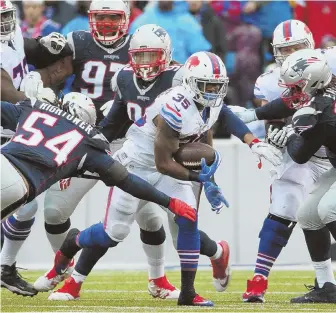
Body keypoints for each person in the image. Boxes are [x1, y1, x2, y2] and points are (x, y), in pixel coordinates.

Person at [45, 51, 283, 307]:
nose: (214, 91)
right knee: (113, 233)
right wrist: (198, 177)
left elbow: (224, 116)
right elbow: (163, 163)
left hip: (169, 165)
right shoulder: (174, 107)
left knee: (188, 216)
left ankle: (188, 293)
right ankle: (74, 241)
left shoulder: (210, 101)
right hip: (138, 165)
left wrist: (253, 142)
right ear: (191, 84)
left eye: (218, 85)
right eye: (208, 85)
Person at [0, 94, 195, 232]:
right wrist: (169, 201)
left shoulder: (34, 107)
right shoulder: (89, 142)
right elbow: (127, 181)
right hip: (18, 183)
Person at [233, 47, 336, 303]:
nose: (290, 92)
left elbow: (301, 154)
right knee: (308, 216)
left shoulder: (319, 110)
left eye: (296, 87)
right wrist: (252, 114)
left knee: (328, 210)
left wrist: (288, 135)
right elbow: (288, 103)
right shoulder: (317, 94)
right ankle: (327, 287)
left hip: (328, 162)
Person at [0, 0, 72, 296]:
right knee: (20, 196)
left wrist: (49, 45)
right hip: (7, 122)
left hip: (11, 127)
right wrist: (40, 102)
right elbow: (6, 89)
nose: (5, 23)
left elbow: (26, 48)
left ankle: (5, 267)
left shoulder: (12, 35)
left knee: (25, 198)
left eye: (6, 16)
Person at [129, 0, 211, 63]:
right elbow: (131, 51)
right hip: (149, 75)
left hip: (181, 77)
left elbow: (201, 55)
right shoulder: (143, 20)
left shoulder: (188, 22)